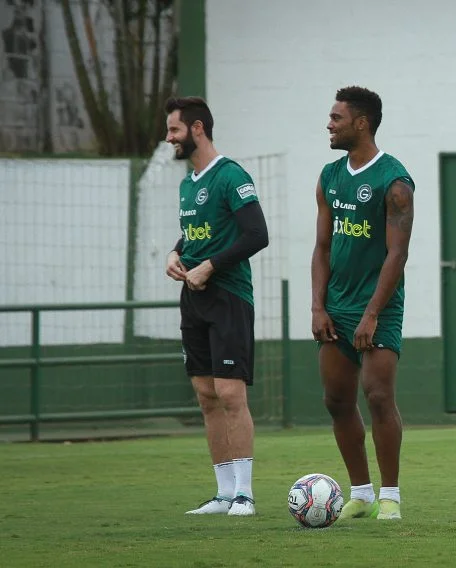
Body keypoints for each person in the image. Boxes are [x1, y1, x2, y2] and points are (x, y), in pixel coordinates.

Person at [311, 86, 415, 521]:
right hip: (336, 306)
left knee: (377, 396)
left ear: (361, 123)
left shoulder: (394, 182)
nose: (329, 125)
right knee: (336, 401)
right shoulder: (329, 177)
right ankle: (361, 493)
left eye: (336, 118)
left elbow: (398, 253)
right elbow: (322, 247)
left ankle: (390, 495)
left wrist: (372, 313)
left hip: (380, 306)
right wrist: (318, 307)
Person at [164, 96, 269, 517]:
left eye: (173, 129)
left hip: (228, 298)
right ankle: (223, 493)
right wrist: (176, 253)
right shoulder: (187, 184)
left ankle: (245, 494)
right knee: (206, 396)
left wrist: (210, 266)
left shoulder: (230, 176)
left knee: (229, 394)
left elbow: (256, 234)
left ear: (197, 129)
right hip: (194, 298)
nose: (168, 137)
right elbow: (194, 234)